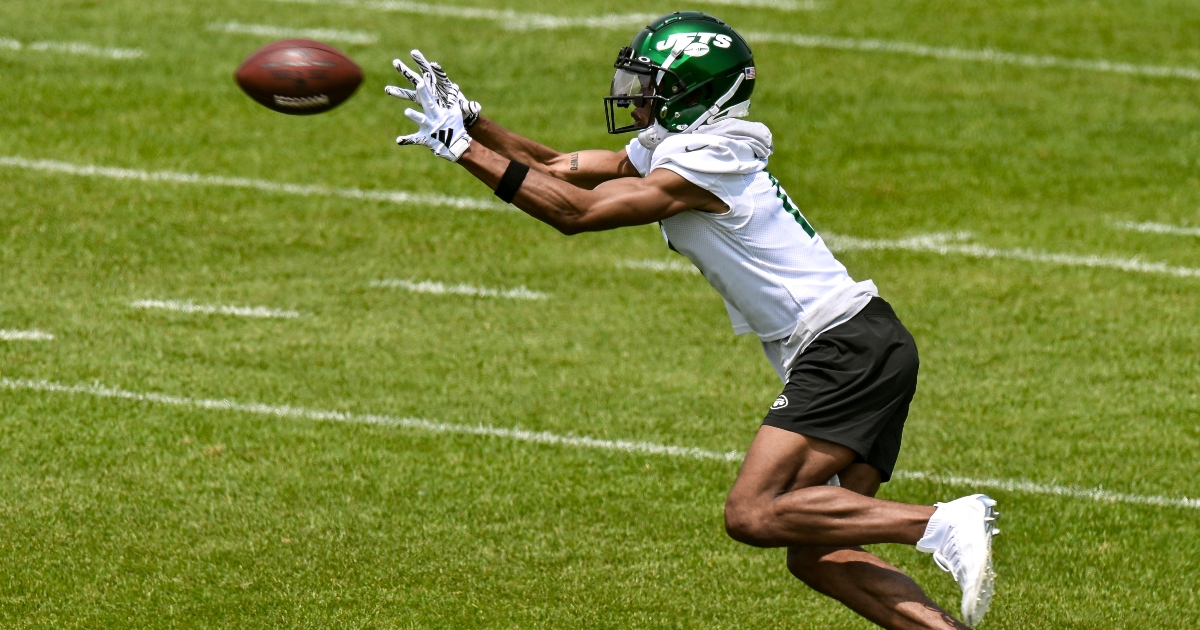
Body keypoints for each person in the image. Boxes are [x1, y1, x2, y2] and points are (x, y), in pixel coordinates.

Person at [386, 11, 1000, 629]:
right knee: (820, 552)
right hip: (864, 343)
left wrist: (462, 151)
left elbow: (575, 212)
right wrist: (474, 122)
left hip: (843, 347)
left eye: (655, 86)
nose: (639, 97)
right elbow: (556, 166)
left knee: (754, 513)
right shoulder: (686, 145)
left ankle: (939, 521)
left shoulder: (706, 156)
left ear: (697, 94)